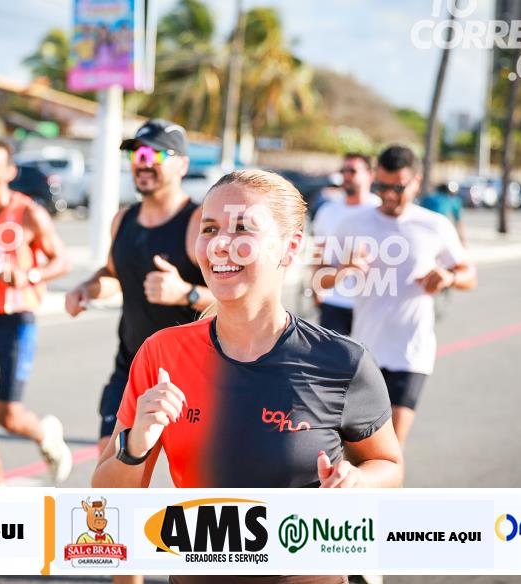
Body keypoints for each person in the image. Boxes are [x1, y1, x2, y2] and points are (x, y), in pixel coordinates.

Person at [93, 170, 403, 584]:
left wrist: (358, 481)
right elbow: (107, 502)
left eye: (242, 228)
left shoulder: (342, 361)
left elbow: (389, 465)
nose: (220, 244)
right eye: (209, 228)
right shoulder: (161, 354)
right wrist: (134, 445)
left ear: (289, 247)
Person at [65, 119, 214, 452]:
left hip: (189, 376)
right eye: (136, 154)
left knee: (191, 478)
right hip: (132, 368)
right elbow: (114, 274)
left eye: (155, 154)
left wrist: (185, 293)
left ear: (182, 165)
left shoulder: (198, 223)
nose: (143, 162)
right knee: (111, 463)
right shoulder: (123, 219)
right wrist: (87, 289)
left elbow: (232, 300)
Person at [319, 146, 477, 447]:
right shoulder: (353, 223)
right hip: (366, 352)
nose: (389, 195)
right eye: (382, 186)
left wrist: (449, 278)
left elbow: (470, 275)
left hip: (411, 352)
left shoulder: (434, 225)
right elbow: (320, 278)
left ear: (416, 182)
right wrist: (344, 269)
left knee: (393, 447)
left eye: (399, 187)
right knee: (359, 449)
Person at [0, 139, 72, 486]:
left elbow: (62, 260)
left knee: (7, 415)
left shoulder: (27, 213)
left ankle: (46, 434)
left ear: (10, 172)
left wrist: (29, 275)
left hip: (15, 322)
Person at [310, 153, 380, 335]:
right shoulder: (328, 211)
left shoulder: (379, 210)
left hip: (370, 304)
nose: (347, 176)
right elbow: (318, 253)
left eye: (353, 171)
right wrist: (316, 288)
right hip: (334, 302)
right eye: (344, 171)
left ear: (370, 175)